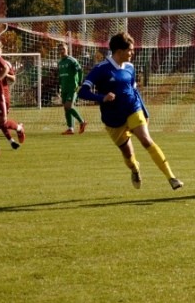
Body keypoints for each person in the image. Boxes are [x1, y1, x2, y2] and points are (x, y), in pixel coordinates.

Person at [78, 31, 183, 191]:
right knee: (128, 155)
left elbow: (134, 90)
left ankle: (172, 177)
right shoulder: (101, 69)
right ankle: (135, 169)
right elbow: (82, 92)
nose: (133, 53)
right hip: (113, 119)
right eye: (130, 50)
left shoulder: (130, 68)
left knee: (146, 139)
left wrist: (145, 111)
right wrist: (102, 97)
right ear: (119, 51)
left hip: (133, 108)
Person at [0, 41, 26, 148]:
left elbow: (13, 78)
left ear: (1, 51)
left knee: (3, 121)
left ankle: (18, 129)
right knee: (0, 121)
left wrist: (5, 75)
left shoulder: (6, 63)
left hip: (3, 95)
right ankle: (14, 134)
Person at [56, 43, 87, 134]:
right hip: (64, 88)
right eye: (60, 49)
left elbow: (80, 70)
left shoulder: (72, 60)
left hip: (72, 87)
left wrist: (80, 83)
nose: (62, 51)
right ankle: (70, 128)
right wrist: (59, 86)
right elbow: (60, 76)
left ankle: (82, 122)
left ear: (67, 50)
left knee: (68, 106)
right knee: (66, 108)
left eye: (63, 49)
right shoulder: (60, 62)